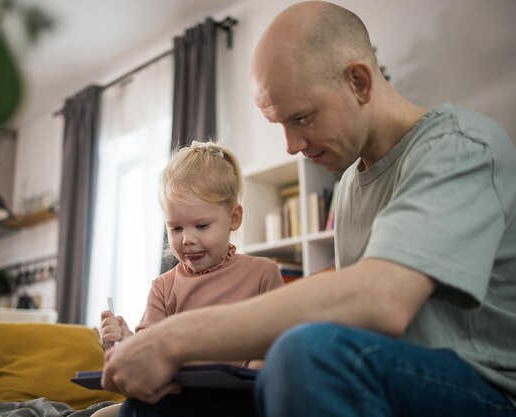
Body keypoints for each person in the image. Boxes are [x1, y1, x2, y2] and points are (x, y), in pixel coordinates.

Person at [102, 2, 516, 416]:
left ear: (359, 82)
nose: (291, 145)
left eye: (301, 117)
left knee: (304, 353)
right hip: (385, 374)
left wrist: (176, 338)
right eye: (279, 124)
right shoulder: (352, 182)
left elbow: (381, 299)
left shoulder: (460, 145)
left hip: (485, 388)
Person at [92, 140, 284, 417]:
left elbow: (271, 347)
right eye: (176, 228)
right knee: (101, 415)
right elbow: (150, 348)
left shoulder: (263, 273)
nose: (187, 240)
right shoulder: (162, 287)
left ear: (234, 218)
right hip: (175, 398)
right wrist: (124, 341)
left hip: (237, 401)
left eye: (202, 226)